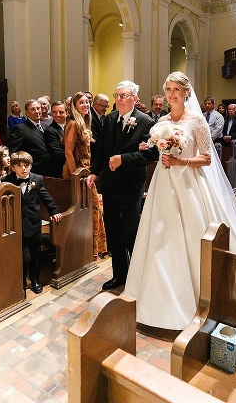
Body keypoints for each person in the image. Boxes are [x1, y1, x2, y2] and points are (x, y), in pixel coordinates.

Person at [124, 71, 236, 330]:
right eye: (168, 89)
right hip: (164, 181)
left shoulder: (197, 121)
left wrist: (180, 160)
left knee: (189, 232)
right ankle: (155, 296)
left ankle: (196, 292)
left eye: (176, 90)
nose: (171, 94)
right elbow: (159, 149)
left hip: (189, 182)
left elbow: (206, 157)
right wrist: (153, 149)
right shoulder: (161, 121)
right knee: (160, 235)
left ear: (186, 92)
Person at [87, 81, 156, 291]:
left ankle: (137, 277)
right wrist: (93, 172)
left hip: (131, 185)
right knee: (113, 230)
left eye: (123, 96)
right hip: (110, 184)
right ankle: (120, 275)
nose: (118, 100)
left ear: (134, 98)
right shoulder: (109, 119)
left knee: (130, 231)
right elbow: (100, 150)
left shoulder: (146, 122)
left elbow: (151, 154)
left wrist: (123, 159)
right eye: (116, 95)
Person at [2, 151, 62, 294]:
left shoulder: (37, 179)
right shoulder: (6, 180)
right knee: (22, 255)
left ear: (31, 165)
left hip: (33, 222)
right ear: (13, 168)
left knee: (35, 253)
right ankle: (20, 283)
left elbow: (45, 197)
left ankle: (35, 279)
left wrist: (54, 211)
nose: (24, 169)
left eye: (26, 165)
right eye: (19, 166)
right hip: (15, 224)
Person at [63, 92, 107, 258]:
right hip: (78, 171)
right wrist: (77, 176)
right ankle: (90, 249)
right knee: (93, 207)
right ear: (74, 106)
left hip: (86, 170)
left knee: (93, 208)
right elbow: (68, 152)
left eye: (87, 103)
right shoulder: (73, 123)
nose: (85, 105)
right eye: (81, 103)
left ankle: (93, 249)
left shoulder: (83, 122)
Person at [9, 99, 51, 175]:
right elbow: (14, 152)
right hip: (33, 171)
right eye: (33, 109)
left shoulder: (46, 127)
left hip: (50, 170)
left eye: (38, 108)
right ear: (27, 113)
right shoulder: (20, 128)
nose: (37, 111)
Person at [44, 100, 67, 177]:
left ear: (67, 113)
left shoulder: (71, 126)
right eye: (54, 112)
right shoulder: (50, 131)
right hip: (59, 171)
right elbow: (57, 155)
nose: (57, 115)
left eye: (61, 112)